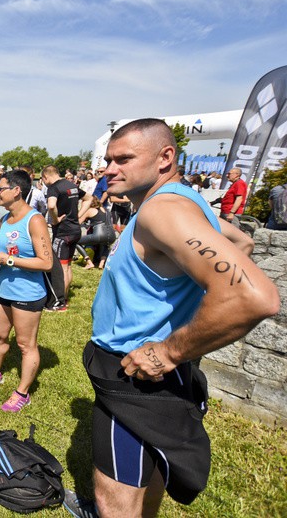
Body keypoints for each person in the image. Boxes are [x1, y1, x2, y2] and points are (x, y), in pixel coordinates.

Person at [80, 119, 279, 518]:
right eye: (107, 160)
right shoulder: (177, 203)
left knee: (113, 499)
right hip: (147, 371)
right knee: (146, 473)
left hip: (134, 372)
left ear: (164, 158)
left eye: (123, 159)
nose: (109, 169)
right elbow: (241, 241)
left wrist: (168, 351)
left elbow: (255, 296)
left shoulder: (164, 211)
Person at [0, 169, 52, 411]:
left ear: (17, 191)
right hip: (4, 289)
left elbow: (46, 263)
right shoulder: (6, 219)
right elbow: (8, 252)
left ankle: (22, 392)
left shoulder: (34, 220)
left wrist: (9, 261)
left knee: (26, 345)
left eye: (1, 187)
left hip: (28, 294)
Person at [41, 165, 81, 311]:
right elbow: (89, 199)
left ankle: (59, 301)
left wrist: (55, 220)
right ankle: (64, 296)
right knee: (68, 265)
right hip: (76, 230)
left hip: (63, 232)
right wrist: (79, 216)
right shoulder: (72, 185)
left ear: (46, 177)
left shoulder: (54, 187)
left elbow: (51, 206)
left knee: (60, 268)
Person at [77, 196, 115, 270]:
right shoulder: (106, 210)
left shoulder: (90, 210)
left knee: (76, 241)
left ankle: (89, 263)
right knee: (106, 244)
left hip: (99, 234)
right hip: (112, 235)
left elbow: (78, 223)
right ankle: (101, 264)